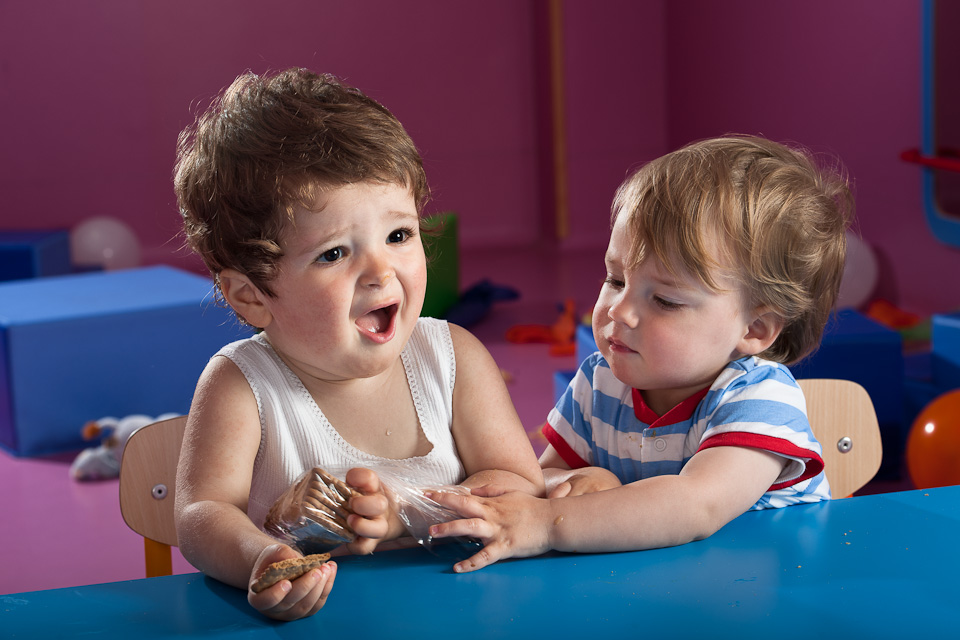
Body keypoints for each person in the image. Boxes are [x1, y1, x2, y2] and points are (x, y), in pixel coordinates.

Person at [172, 68, 544, 620]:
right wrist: (267, 553)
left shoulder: (454, 358)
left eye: (398, 235)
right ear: (251, 297)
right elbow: (201, 515)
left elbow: (520, 486)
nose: (380, 271)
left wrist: (406, 510)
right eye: (334, 253)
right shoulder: (242, 385)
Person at [427, 135, 852, 573]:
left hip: (768, 597)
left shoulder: (759, 398)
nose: (618, 310)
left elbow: (695, 505)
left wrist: (548, 525)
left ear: (754, 329)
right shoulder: (601, 380)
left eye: (664, 301)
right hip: (651, 590)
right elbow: (538, 480)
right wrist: (579, 483)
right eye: (615, 279)